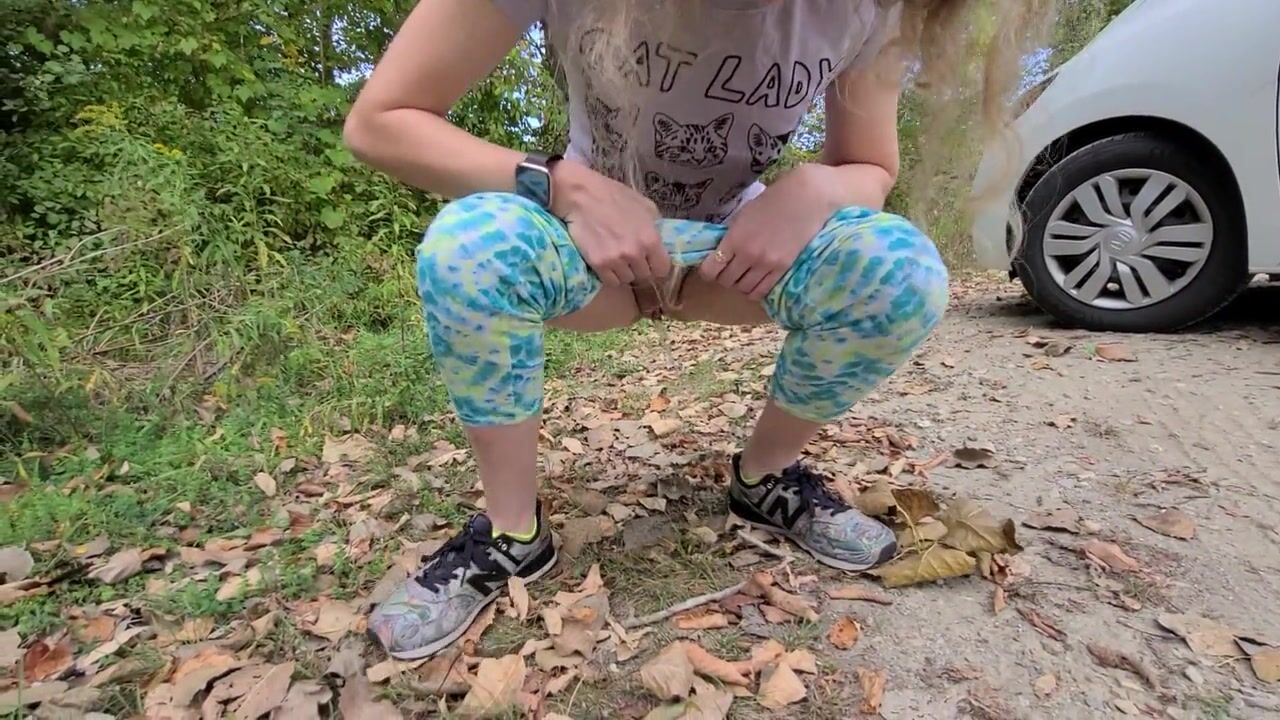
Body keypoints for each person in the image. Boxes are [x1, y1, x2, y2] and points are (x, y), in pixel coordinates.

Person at [344, 0, 1052, 660]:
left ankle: (765, 480)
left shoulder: (867, 7)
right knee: (467, 245)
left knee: (902, 269)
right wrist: (566, 187)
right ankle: (512, 532)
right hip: (588, 250)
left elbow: (871, 166)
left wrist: (815, 188)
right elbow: (381, 121)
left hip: (732, 257)